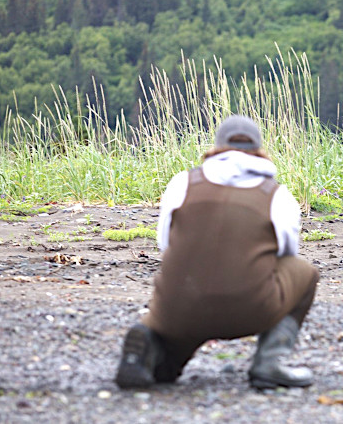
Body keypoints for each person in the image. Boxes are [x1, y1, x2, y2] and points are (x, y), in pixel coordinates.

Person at [115, 115, 320, 389]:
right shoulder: (278, 196)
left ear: (217, 146)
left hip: (179, 307)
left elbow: (165, 245)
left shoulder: (182, 183)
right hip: (251, 311)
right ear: (259, 149)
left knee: (173, 355)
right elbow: (286, 254)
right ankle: (269, 363)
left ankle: (151, 345)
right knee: (304, 273)